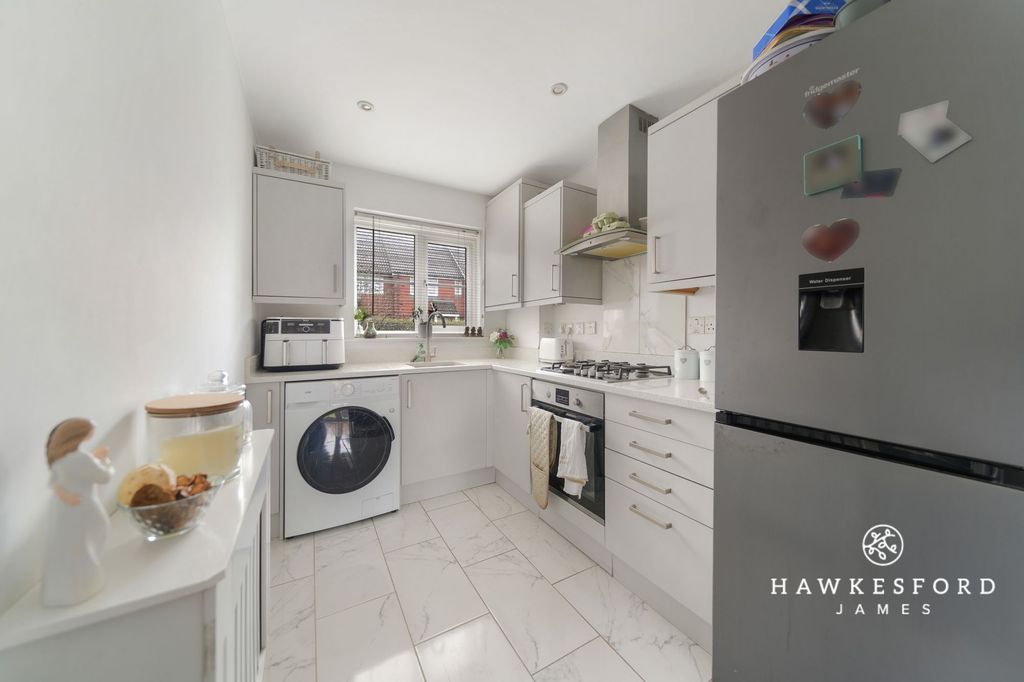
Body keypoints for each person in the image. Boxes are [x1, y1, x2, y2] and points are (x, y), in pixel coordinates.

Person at [42, 418, 115, 607]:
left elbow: (54, 483)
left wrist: (64, 496)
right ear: (79, 435)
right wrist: (105, 461)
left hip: (63, 507)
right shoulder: (80, 458)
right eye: (90, 431)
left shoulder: (61, 457)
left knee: (68, 544)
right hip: (83, 504)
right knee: (98, 530)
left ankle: (71, 586)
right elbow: (104, 477)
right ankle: (86, 580)